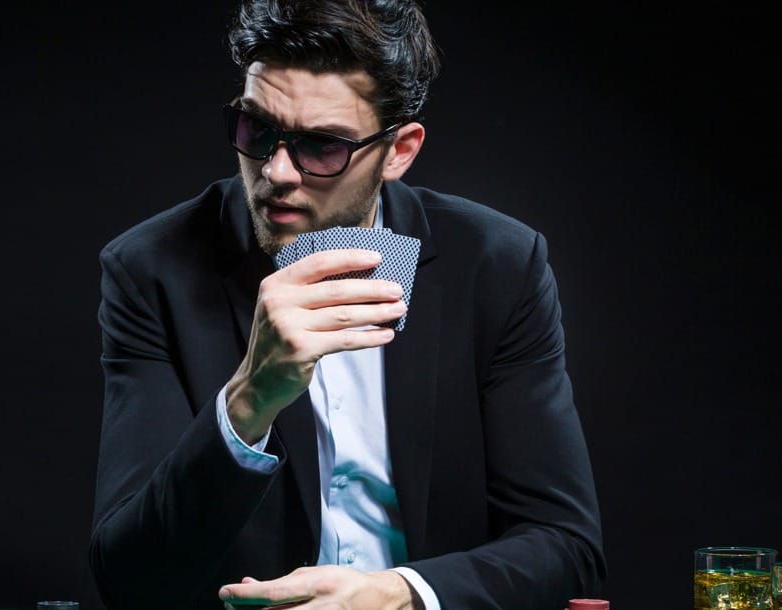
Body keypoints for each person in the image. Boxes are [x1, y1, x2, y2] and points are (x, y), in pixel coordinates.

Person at [88, 0, 606, 608]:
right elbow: (128, 578)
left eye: (322, 146)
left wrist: (398, 595)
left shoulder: (499, 265)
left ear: (400, 150)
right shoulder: (150, 269)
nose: (277, 171)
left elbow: (566, 547)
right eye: (257, 130)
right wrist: (249, 400)